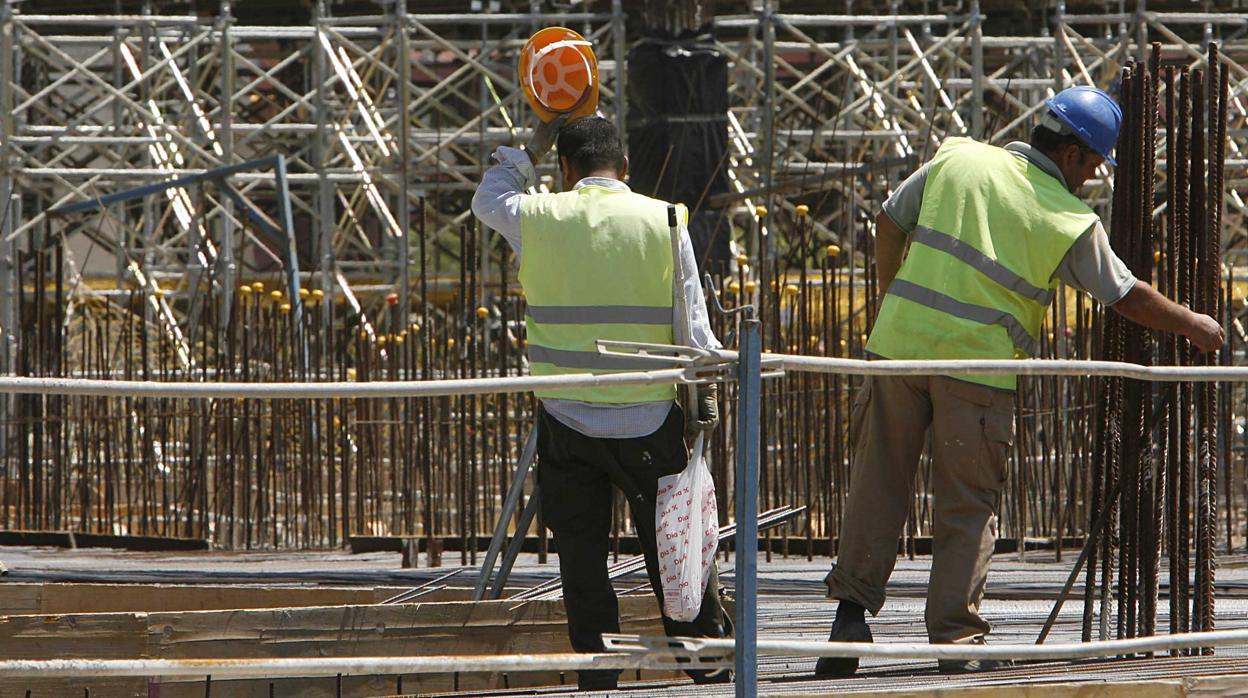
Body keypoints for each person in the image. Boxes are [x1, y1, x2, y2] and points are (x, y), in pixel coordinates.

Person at [818, 86, 1225, 676]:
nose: (1090, 182)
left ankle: (849, 621)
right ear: (1074, 155)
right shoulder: (1065, 217)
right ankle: (954, 641)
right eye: (1093, 168)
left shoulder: (958, 158)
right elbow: (1125, 295)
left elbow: (887, 222)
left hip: (896, 353)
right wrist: (1193, 325)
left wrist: (891, 305)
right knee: (968, 503)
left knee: (877, 482)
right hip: (978, 373)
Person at [472, 115, 732, 691]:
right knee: (675, 548)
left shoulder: (542, 218)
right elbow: (695, 330)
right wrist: (712, 377)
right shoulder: (663, 218)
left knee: (582, 553)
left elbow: (489, 199)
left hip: (567, 418)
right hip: (648, 416)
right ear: (627, 169)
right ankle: (706, 665)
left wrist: (530, 145)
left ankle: (598, 671)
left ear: (564, 170)